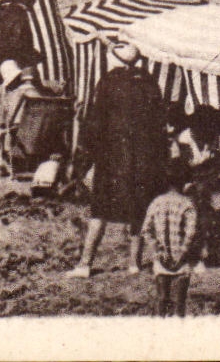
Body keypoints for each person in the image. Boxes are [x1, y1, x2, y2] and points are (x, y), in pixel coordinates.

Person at [69, 41, 167, 278]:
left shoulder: (109, 81)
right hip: (144, 157)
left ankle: (85, 264)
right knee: (138, 209)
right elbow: (159, 123)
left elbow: (96, 122)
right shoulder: (150, 82)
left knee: (100, 210)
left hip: (112, 155)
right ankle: (134, 264)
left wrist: (85, 158)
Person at [141, 157, 202, 317]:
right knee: (179, 301)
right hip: (181, 260)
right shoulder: (187, 204)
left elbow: (146, 230)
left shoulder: (156, 202)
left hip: (161, 259)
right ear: (185, 182)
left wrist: (157, 250)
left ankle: (161, 330)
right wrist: (182, 252)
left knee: (162, 298)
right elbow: (191, 232)